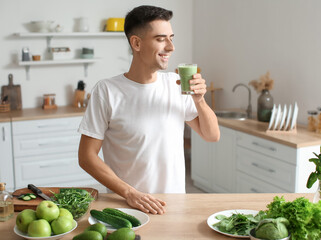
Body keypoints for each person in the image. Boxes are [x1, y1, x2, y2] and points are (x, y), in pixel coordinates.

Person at [78, 5, 220, 215]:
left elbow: (212, 135)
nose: (171, 47)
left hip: (173, 206)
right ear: (136, 42)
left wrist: (200, 100)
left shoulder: (176, 84)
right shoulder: (107, 91)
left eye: (171, 38)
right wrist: (129, 193)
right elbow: (86, 157)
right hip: (127, 207)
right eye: (161, 39)